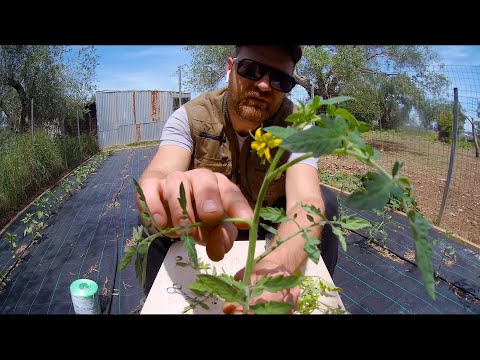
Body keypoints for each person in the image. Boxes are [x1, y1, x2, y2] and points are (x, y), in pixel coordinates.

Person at [137, 45, 339, 313]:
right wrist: (161, 194)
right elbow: (159, 174)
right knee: (156, 218)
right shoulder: (190, 117)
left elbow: (305, 201)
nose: (264, 85)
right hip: (214, 220)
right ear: (230, 67)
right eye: (252, 69)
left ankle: (310, 290)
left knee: (327, 203)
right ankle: (155, 300)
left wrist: (279, 265)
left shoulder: (298, 125)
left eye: (280, 79)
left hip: (270, 220)